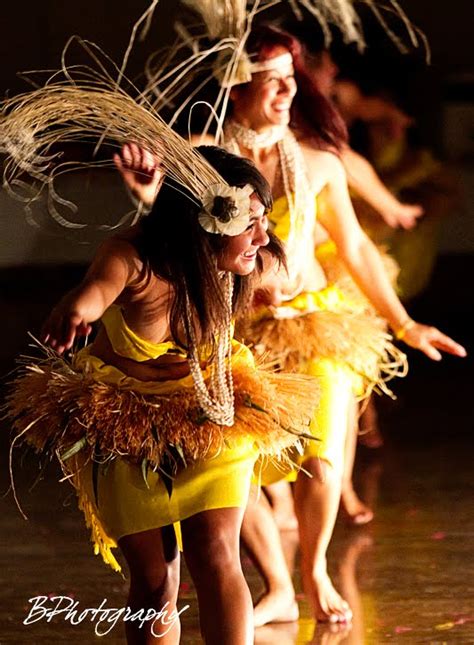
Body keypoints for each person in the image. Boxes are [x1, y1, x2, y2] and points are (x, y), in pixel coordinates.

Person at [118, 26, 466, 626]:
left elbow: (354, 249)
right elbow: (168, 224)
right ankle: (277, 584)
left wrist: (406, 324)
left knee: (324, 461)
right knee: (240, 470)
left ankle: (314, 571)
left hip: (314, 323)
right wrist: (149, 193)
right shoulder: (203, 155)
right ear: (236, 83)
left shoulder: (317, 159)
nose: (287, 91)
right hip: (236, 332)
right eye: (272, 79)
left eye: (291, 79)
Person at [6, 144, 320, 645]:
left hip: (211, 409)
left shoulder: (243, 262)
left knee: (217, 552)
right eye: (251, 221)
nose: (263, 235)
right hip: (124, 424)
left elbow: (294, 272)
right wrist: (78, 310)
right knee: (156, 584)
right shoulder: (134, 256)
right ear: (207, 222)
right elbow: (96, 291)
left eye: (265, 220)